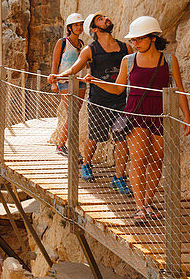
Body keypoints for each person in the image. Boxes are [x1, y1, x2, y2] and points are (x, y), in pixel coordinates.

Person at [84, 15, 190, 225]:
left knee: (156, 161)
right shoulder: (129, 60)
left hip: (161, 116)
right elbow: (118, 88)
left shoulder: (169, 60)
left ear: (153, 37)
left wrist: (187, 117)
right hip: (136, 115)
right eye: (133, 40)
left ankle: (148, 203)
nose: (134, 43)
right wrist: (97, 81)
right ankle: (140, 207)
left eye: (139, 39)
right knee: (139, 160)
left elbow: (179, 90)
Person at [49, 12, 131, 193]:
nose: (106, 19)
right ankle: (87, 163)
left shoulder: (126, 48)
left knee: (122, 140)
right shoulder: (90, 50)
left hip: (121, 102)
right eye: (100, 19)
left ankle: (118, 177)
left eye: (105, 17)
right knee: (94, 137)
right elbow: (74, 68)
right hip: (98, 102)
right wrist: (57, 77)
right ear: (94, 29)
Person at [49, 13, 86, 154]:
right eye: (76, 25)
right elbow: (55, 62)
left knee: (75, 114)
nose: (79, 27)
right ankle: (60, 144)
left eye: (80, 25)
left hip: (79, 81)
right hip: (64, 81)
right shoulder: (62, 42)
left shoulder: (81, 44)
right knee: (72, 114)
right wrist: (54, 82)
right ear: (69, 27)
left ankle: (68, 146)